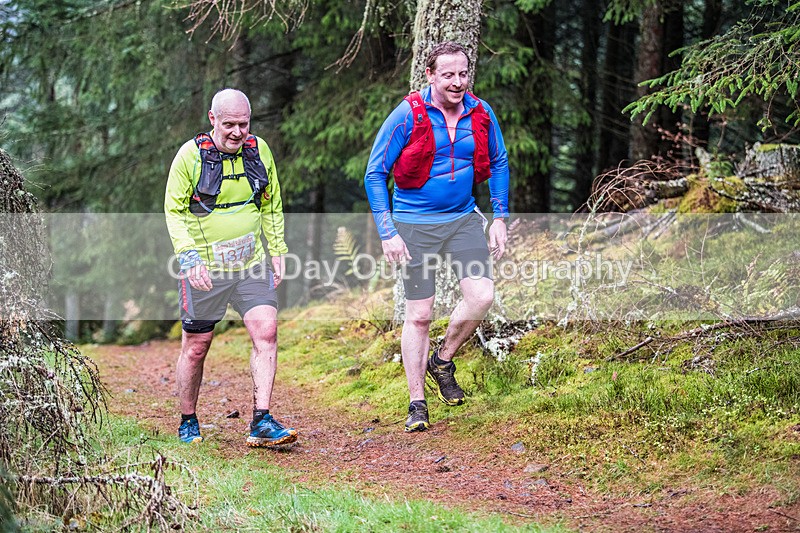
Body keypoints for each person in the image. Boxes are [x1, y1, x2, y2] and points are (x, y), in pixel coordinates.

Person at [364, 42, 510, 432]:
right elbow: (375, 173)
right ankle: (417, 403)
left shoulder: (481, 113)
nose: (457, 82)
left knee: (482, 296)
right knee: (421, 315)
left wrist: (500, 216)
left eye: (463, 74)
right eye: (448, 75)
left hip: (462, 219)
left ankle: (442, 359)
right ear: (429, 75)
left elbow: (498, 160)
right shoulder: (406, 115)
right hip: (414, 225)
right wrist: (388, 230)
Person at [164, 88, 297, 447]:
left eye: (244, 124)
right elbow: (174, 212)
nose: (238, 132)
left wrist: (278, 249)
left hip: (250, 264)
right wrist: (188, 258)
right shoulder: (190, 157)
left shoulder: (259, 151)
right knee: (196, 345)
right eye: (229, 125)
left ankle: (262, 420)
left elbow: (271, 202)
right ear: (212, 120)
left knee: (266, 332)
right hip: (205, 269)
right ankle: (188, 420)